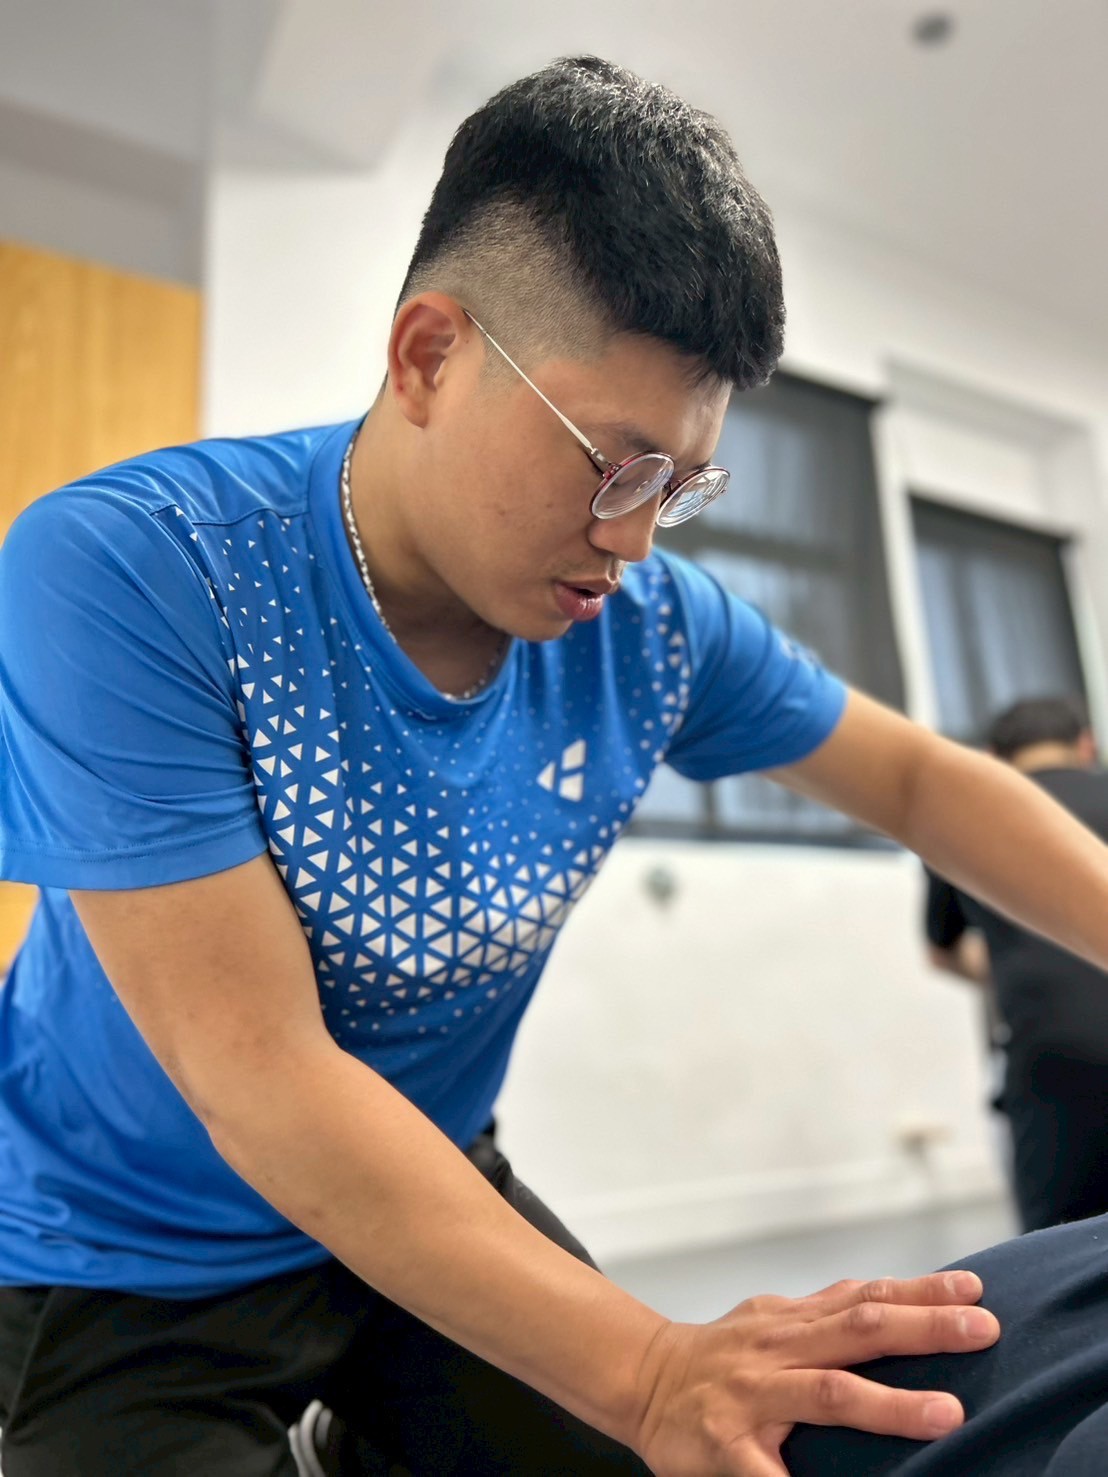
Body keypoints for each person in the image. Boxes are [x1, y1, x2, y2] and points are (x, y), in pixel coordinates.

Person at [3, 53, 1108, 1477]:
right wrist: (646, 1370)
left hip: (433, 1177)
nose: (634, 539)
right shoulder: (136, 570)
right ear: (428, 357)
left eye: (680, 486)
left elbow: (917, 781)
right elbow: (259, 1073)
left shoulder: (647, 627)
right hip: (122, 1250)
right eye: (613, 463)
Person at [926, 696, 1108, 1232]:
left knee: (1057, 1249)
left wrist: (1014, 959)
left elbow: (942, 951)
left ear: (994, 758)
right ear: (1086, 745)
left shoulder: (963, 820)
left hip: (1050, 1059)